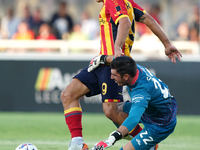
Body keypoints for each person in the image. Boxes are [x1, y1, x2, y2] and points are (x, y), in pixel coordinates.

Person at [61, 0, 182, 150]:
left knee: (112, 111)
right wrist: (167, 44)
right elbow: (148, 20)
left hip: (113, 64)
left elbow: (124, 21)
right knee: (68, 94)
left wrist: (117, 47)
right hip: (101, 61)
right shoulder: (127, 2)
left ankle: (147, 142)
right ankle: (78, 144)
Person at [91, 56, 177, 150]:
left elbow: (133, 118)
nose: (111, 77)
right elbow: (118, 59)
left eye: (114, 75)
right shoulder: (132, 67)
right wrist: (102, 58)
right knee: (114, 112)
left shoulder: (141, 91)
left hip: (160, 124)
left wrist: (113, 137)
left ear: (126, 76)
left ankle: (148, 144)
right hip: (151, 108)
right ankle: (138, 140)